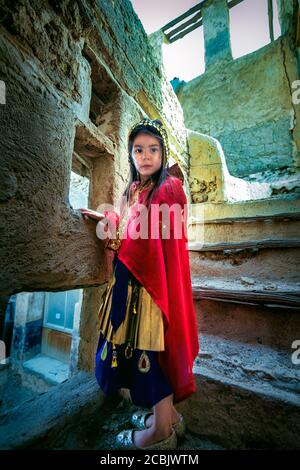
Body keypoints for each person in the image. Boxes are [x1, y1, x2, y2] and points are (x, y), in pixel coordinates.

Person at [79, 118, 199, 450]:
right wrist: (108, 219)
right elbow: (128, 225)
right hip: (129, 283)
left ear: (163, 153)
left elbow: (159, 235)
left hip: (153, 287)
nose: (145, 156)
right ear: (131, 155)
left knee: (153, 354)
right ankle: (169, 418)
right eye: (138, 150)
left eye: (153, 149)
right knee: (136, 354)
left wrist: (126, 234)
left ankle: (160, 434)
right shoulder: (133, 190)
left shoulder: (170, 187)